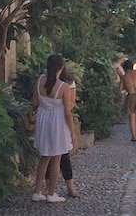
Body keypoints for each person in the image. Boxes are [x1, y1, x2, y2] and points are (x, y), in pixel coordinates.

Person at [32, 54, 76, 203]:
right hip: (57, 123)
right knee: (56, 158)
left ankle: (37, 191)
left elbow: (34, 101)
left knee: (44, 158)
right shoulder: (63, 87)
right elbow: (68, 112)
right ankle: (51, 193)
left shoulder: (39, 81)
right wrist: (72, 132)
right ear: (61, 67)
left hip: (42, 120)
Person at [59, 68, 81, 198]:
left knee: (63, 155)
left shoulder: (68, 82)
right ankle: (47, 188)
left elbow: (70, 104)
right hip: (52, 119)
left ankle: (70, 187)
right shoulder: (45, 80)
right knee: (48, 156)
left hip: (60, 118)